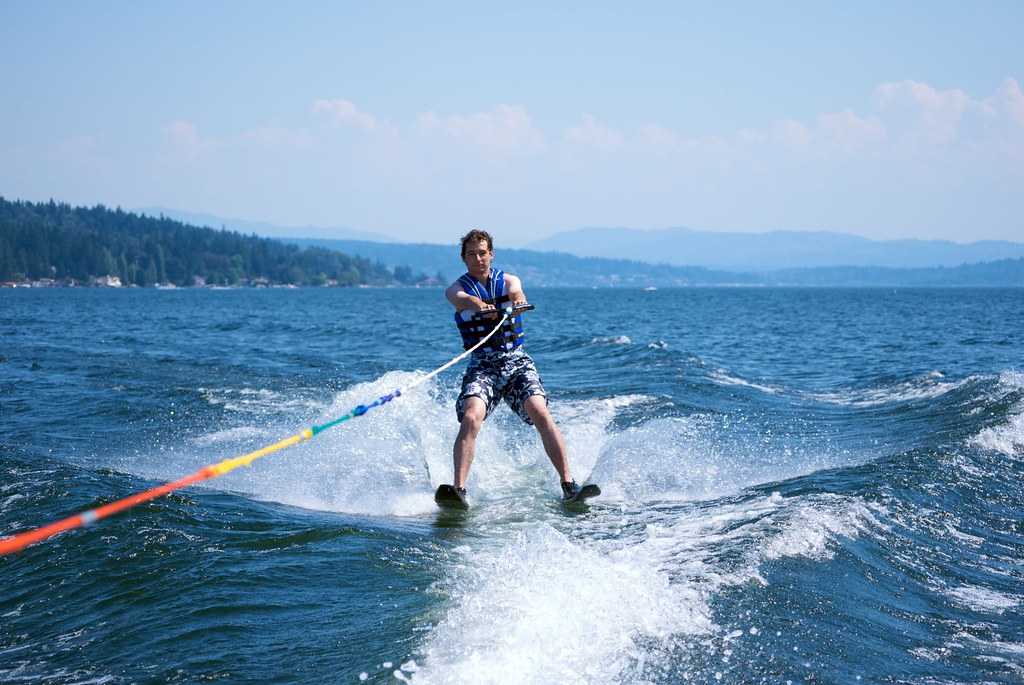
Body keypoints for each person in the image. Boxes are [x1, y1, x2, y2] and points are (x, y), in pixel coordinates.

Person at [444, 229, 582, 500]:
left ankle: (568, 483)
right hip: (483, 366)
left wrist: (518, 302)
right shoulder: (455, 289)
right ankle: (458, 489)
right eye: (471, 254)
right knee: (471, 417)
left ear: (491, 254)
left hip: (516, 362)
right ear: (464, 258)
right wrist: (477, 303)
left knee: (540, 412)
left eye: (482, 253)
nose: (478, 258)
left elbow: (517, 293)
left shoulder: (509, 281)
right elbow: (461, 300)